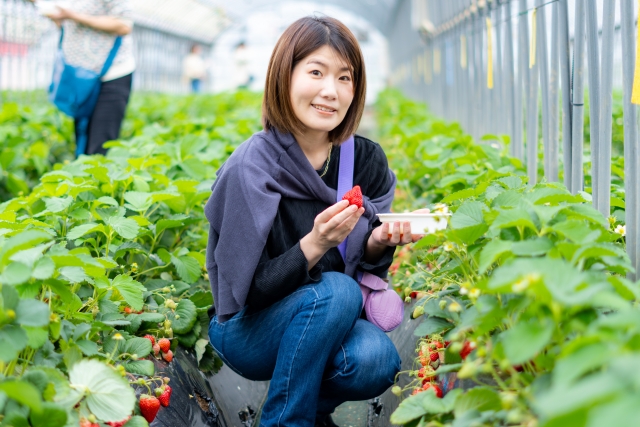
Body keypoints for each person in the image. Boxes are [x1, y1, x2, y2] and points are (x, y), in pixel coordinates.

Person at [205, 16, 428, 427]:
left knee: (376, 360)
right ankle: (287, 420)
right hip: (250, 326)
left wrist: (381, 240)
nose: (331, 91)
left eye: (345, 78)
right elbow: (246, 293)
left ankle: (304, 408)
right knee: (337, 290)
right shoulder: (252, 169)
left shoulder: (365, 160)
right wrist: (315, 243)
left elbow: (365, 266)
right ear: (283, 77)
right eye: (316, 72)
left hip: (329, 317)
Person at [41, 0, 135, 155]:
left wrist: (73, 15)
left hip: (112, 74)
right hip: (81, 75)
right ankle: (85, 174)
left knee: (101, 145)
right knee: (83, 136)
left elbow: (124, 25)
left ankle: (99, 177)